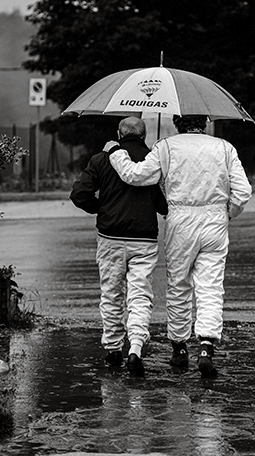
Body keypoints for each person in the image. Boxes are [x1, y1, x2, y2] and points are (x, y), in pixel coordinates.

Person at [103, 115, 252, 378]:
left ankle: (180, 348)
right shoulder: (224, 147)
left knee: (179, 284)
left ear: (177, 121)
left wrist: (116, 152)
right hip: (215, 220)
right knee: (211, 286)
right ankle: (206, 347)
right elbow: (243, 191)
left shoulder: (166, 146)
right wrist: (227, 213)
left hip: (180, 220)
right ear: (204, 123)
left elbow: (135, 175)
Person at [70, 117, 168, 377]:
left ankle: (113, 348)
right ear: (144, 135)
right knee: (140, 295)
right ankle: (135, 347)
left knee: (111, 293)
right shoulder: (153, 160)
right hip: (144, 239)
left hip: (110, 236)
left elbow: (79, 194)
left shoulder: (101, 160)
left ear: (119, 134)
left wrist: (101, 208)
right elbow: (164, 206)